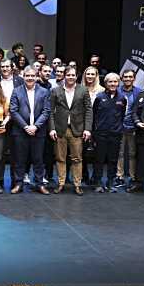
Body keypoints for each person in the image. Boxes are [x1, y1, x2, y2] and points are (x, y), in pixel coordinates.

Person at [48, 66, 92, 195]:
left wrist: (88, 129)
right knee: (60, 158)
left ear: (76, 76)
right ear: (64, 76)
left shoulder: (83, 90)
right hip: (60, 129)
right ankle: (61, 183)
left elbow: (89, 110)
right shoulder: (55, 91)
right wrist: (51, 129)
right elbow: (50, 111)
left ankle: (77, 184)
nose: (71, 77)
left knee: (77, 158)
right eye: (68, 75)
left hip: (77, 130)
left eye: (73, 75)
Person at [9, 66, 51, 195]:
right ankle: (18, 184)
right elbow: (13, 110)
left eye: (32, 76)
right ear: (23, 76)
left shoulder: (44, 91)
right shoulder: (16, 91)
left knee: (38, 159)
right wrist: (26, 127)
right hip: (21, 131)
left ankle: (39, 184)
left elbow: (46, 111)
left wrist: (36, 126)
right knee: (20, 159)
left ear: (36, 76)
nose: (30, 78)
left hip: (38, 131)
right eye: (27, 76)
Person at [91, 73, 127, 193]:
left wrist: (118, 128)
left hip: (115, 134)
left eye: (115, 82)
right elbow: (94, 115)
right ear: (105, 84)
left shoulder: (122, 98)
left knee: (113, 159)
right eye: (110, 82)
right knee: (99, 159)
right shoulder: (99, 97)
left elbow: (122, 115)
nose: (113, 84)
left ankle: (110, 183)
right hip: (101, 134)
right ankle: (98, 182)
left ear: (118, 83)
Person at [115, 69, 142, 187]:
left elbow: (140, 110)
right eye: (125, 77)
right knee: (119, 153)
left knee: (132, 153)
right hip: (119, 126)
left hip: (133, 127)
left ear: (134, 78)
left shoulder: (139, 92)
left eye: (130, 77)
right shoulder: (116, 91)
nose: (127, 79)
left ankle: (132, 177)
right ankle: (119, 176)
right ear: (122, 78)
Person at [81, 66, 105, 185]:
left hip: (98, 125)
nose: (90, 76)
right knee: (83, 152)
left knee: (97, 153)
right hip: (82, 125)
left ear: (96, 76)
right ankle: (83, 175)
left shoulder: (102, 91)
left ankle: (96, 178)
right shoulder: (79, 89)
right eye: (87, 74)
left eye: (92, 74)